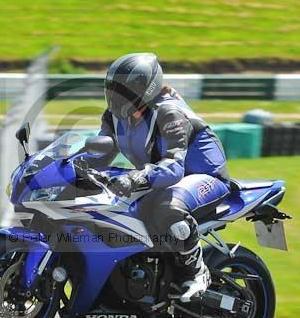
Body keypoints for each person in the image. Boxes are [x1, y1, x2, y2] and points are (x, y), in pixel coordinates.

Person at [88, 52, 231, 302]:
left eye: (126, 89)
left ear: (146, 87)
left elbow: (175, 167)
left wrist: (134, 178)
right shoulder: (113, 117)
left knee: (168, 206)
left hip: (203, 175)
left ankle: (197, 273)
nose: (117, 96)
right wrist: (62, 165)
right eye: (113, 88)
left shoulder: (168, 113)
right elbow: (98, 154)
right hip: (159, 175)